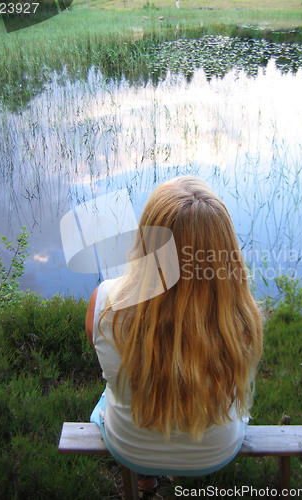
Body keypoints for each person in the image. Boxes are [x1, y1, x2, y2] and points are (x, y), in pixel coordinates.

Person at [85, 175, 263, 492]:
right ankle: (184, 458)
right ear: (224, 250)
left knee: (110, 393)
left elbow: (104, 360)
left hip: (130, 446)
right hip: (214, 452)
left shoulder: (104, 303)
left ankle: (146, 476)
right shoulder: (241, 317)